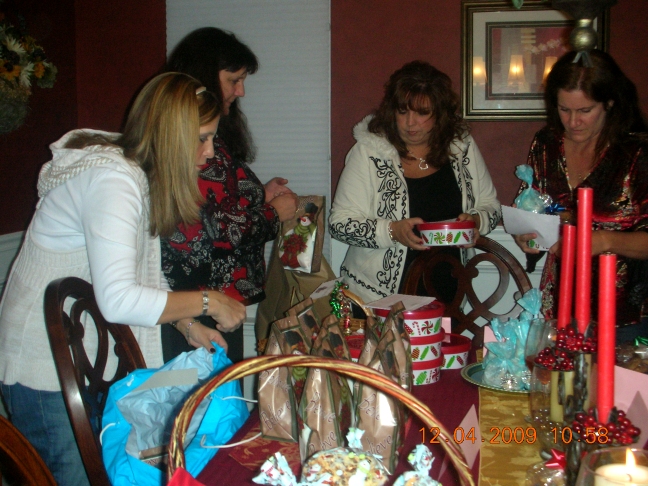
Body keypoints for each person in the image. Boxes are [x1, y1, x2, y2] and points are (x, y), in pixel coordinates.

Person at [0, 72, 247, 486]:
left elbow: (135, 277)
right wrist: (210, 300)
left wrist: (187, 324)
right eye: (202, 138)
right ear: (169, 136)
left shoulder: (134, 174)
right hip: (41, 364)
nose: (209, 152)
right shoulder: (113, 181)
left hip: (75, 353)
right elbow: (117, 299)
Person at [161, 27, 299, 363]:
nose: (241, 91)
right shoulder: (187, 144)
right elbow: (213, 230)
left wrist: (259, 195)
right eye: (233, 80)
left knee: (224, 391)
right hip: (197, 308)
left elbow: (217, 203)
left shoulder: (206, 137)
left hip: (217, 303)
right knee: (207, 393)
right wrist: (274, 214)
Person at [329, 60, 501, 304]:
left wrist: (477, 222)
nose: (410, 123)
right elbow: (340, 224)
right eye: (403, 112)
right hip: (376, 296)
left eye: (422, 113)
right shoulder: (369, 152)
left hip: (448, 291)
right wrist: (392, 231)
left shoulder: (461, 148)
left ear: (439, 113)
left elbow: (491, 207)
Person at [512, 49, 648, 343]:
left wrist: (606, 240)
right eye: (564, 109)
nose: (573, 121)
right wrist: (526, 233)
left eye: (585, 111)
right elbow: (532, 204)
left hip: (626, 314)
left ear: (609, 103)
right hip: (560, 306)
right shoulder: (547, 143)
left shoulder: (636, 153)